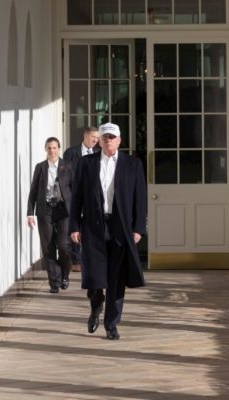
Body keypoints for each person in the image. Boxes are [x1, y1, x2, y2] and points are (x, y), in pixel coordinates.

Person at [69, 122, 147, 340]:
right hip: (93, 226)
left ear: (120, 140)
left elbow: (140, 199)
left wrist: (139, 228)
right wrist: (74, 225)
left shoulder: (132, 164)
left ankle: (111, 325)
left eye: (112, 137)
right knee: (93, 275)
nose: (108, 141)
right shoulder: (86, 164)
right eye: (105, 137)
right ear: (99, 141)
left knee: (116, 278)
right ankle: (96, 305)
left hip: (120, 228)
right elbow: (77, 197)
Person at [27, 137, 74, 293]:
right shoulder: (40, 167)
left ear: (59, 149)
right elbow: (33, 191)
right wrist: (29, 213)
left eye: (54, 148)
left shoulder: (67, 166)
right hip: (45, 210)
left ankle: (64, 274)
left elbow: (75, 189)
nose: (52, 151)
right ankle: (54, 282)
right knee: (48, 247)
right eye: (49, 148)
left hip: (63, 210)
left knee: (64, 246)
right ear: (45, 150)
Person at [63, 126, 100, 272]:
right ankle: (76, 260)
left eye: (97, 138)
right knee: (75, 226)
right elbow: (64, 175)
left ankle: (93, 258)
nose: (96, 140)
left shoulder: (99, 152)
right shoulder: (71, 153)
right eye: (93, 137)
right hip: (74, 194)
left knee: (92, 226)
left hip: (93, 196)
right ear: (85, 136)